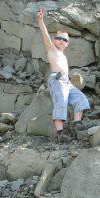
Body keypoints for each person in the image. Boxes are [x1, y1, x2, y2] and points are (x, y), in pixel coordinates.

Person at [36, 7, 90, 142]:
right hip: (56, 79)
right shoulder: (52, 50)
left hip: (66, 81)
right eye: (59, 38)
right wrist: (40, 20)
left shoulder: (63, 55)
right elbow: (45, 36)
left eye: (64, 40)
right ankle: (60, 132)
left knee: (81, 98)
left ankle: (77, 123)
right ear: (55, 41)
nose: (61, 41)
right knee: (61, 102)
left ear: (67, 44)